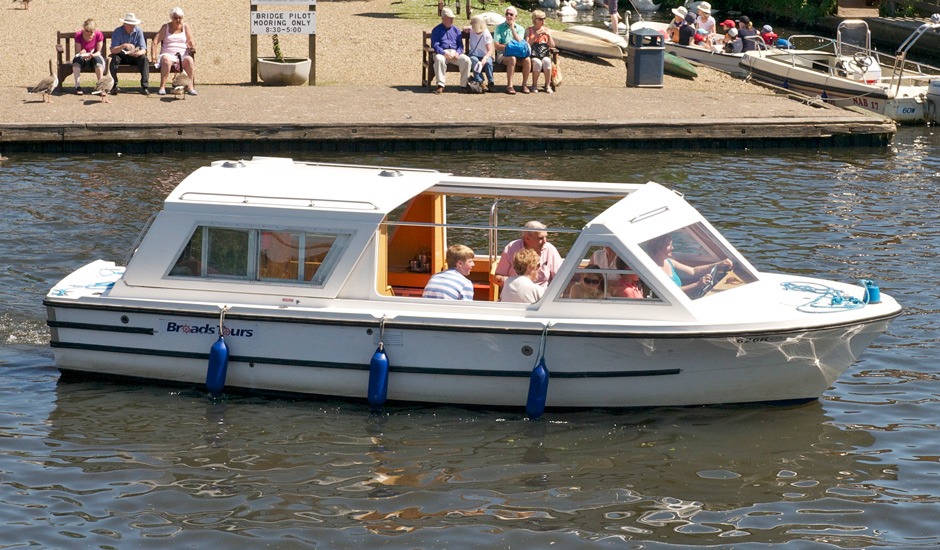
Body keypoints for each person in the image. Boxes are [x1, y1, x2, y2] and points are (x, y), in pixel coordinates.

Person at [645, 234, 732, 297]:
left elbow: (693, 271)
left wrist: (719, 264)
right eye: (668, 245)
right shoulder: (653, 269)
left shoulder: (669, 262)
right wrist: (698, 284)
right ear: (657, 248)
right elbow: (671, 292)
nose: (672, 248)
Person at [494, 221, 562, 289]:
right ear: (527, 239)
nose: (545, 241)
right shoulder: (511, 248)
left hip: (542, 296)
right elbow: (497, 277)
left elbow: (560, 277)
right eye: (540, 238)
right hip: (516, 292)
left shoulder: (550, 249)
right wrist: (507, 281)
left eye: (545, 237)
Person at [152, 7, 197, 96]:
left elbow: (191, 41)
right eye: (175, 18)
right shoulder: (166, 27)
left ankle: (190, 87)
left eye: (180, 18)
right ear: (171, 18)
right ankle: (162, 87)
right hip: (168, 54)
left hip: (182, 55)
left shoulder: (185, 27)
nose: (178, 20)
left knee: (190, 60)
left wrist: (191, 44)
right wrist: (153, 57)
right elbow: (155, 41)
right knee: (166, 60)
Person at [430, 8, 471, 94]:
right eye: (449, 18)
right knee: (439, 59)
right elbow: (435, 45)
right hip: (442, 52)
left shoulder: (456, 30)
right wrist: (444, 53)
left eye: (452, 18)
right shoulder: (436, 30)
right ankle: (440, 85)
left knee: (466, 60)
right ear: (443, 18)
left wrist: (458, 53)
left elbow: (460, 46)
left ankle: (464, 85)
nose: (451, 20)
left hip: (454, 52)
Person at [109, 13, 149, 95]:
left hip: (134, 56)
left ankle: (145, 87)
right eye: (129, 25)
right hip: (121, 55)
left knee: (144, 59)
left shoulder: (138, 31)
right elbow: (113, 50)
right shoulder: (117, 31)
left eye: (133, 25)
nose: (131, 27)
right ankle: (114, 86)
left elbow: (143, 49)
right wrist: (123, 46)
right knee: (113, 58)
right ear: (124, 24)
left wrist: (138, 53)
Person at [493, 6, 531, 95]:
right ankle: (510, 86)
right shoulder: (499, 28)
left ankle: (524, 85)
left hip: (519, 55)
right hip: (503, 55)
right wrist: (510, 48)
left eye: (511, 14)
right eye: (507, 14)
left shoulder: (520, 29)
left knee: (528, 60)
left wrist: (512, 29)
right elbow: (497, 46)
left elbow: (520, 43)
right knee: (512, 59)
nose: (509, 16)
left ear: (515, 16)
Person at [71, 19, 105, 95]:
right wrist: (82, 52)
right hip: (82, 57)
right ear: (84, 29)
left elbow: (98, 52)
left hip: (94, 56)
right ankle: (77, 86)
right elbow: (77, 51)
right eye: (87, 31)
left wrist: (92, 55)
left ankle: (101, 86)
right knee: (77, 61)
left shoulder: (98, 34)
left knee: (98, 61)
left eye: (91, 32)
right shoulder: (79, 35)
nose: (89, 33)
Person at [525, 10, 555, 94]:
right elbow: (527, 44)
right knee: (537, 63)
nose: (543, 21)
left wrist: (548, 36)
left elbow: (552, 45)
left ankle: (547, 85)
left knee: (547, 61)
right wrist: (535, 37)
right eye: (541, 19)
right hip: (533, 53)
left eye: (544, 18)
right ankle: (534, 85)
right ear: (535, 20)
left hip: (544, 53)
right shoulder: (529, 30)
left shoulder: (546, 30)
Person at [466, 15, 495, 93]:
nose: (470, 23)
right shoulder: (472, 30)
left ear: (476, 24)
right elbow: (465, 27)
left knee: (488, 63)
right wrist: (465, 29)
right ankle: (480, 81)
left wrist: (484, 58)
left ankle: (491, 82)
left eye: (472, 22)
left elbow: (490, 51)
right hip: (474, 54)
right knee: (474, 60)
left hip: (485, 55)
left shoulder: (486, 34)